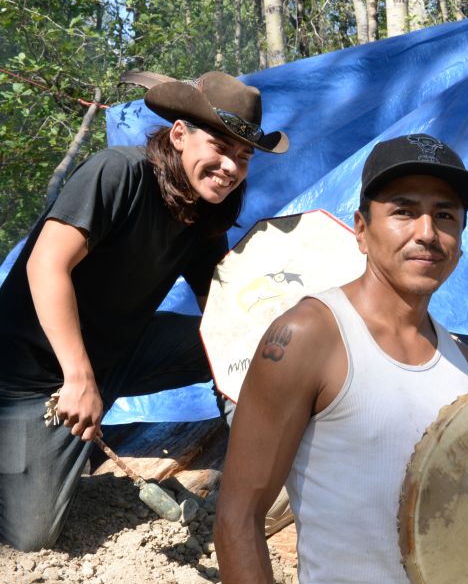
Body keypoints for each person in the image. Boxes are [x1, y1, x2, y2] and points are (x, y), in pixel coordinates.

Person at [214, 133, 468, 584]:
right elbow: (236, 516)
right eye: (404, 210)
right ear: (361, 229)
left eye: (445, 215)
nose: (427, 231)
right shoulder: (308, 336)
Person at [0, 70, 288, 552]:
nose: (230, 167)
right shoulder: (118, 172)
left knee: (249, 346)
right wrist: (78, 377)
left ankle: (257, 476)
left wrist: (266, 355)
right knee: (31, 535)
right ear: (179, 135)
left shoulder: (203, 210)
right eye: (219, 147)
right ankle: (32, 444)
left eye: (243, 157)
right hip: (31, 377)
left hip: (122, 352)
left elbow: (223, 309)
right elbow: (45, 264)